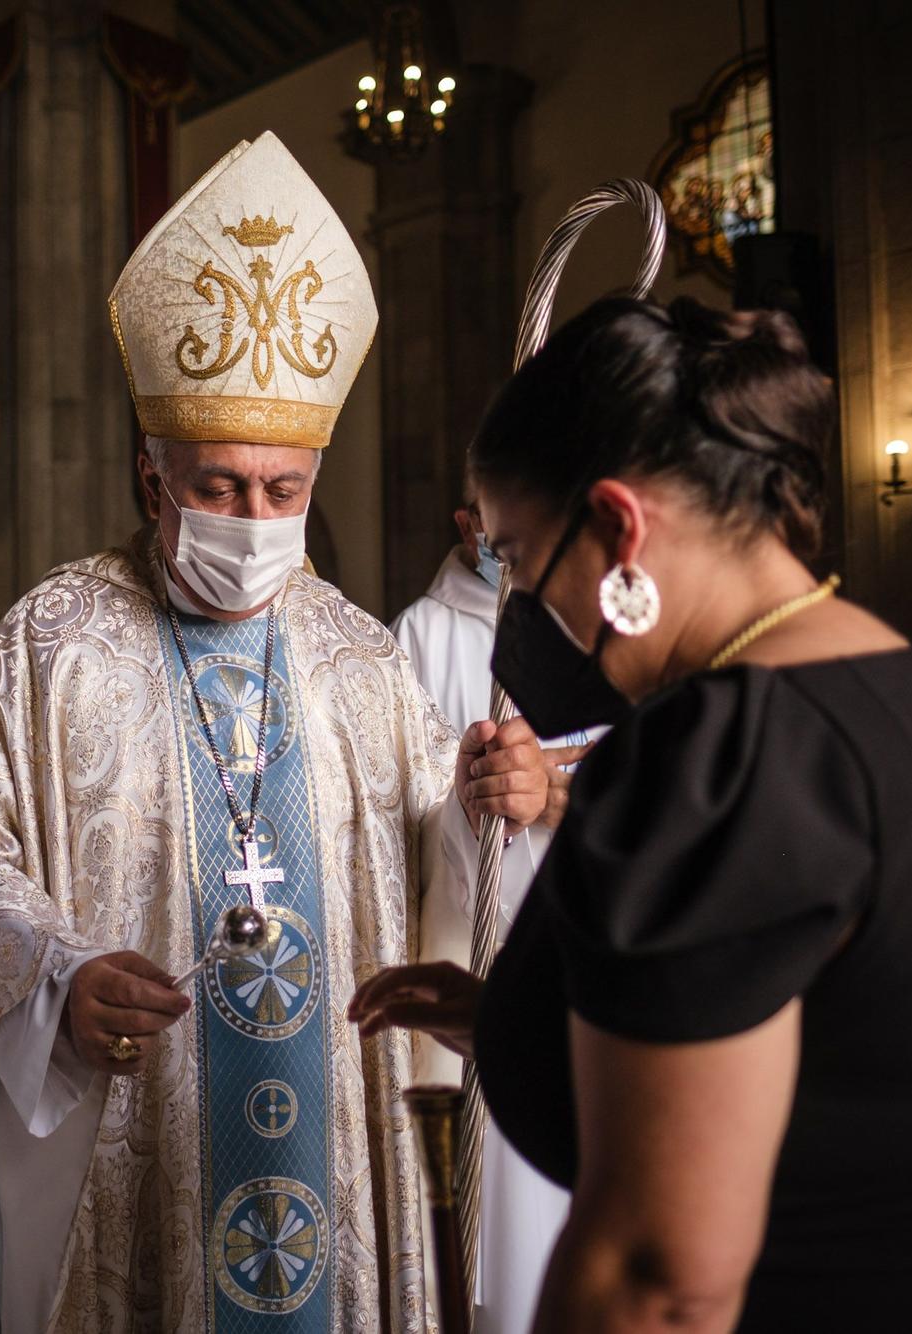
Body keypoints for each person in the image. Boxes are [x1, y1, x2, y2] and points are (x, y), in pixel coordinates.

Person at [351, 298, 912, 1332]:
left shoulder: (717, 751)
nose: (523, 612)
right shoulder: (889, 674)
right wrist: (513, 1019)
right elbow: (841, 1050)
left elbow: (659, 1279)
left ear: (617, 526)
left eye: (520, 560)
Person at [0, 132, 551, 1333]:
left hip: (333, 1109)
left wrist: (491, 798)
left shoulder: (362, 656)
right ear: (151, 477)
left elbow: (426, 872)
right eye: (217, 486)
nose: (251, 517)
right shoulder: (53, 640)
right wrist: (58, 977)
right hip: (128, 1107)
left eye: (282, 490)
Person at [389, 490, 581, 1334]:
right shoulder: (416, 638)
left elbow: (669, 780)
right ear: (464, 522)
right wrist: (470, 799)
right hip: (474, 961)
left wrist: (554, 793)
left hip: (589, 965)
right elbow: (394, 816)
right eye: (480, 516)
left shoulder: (607, 623)